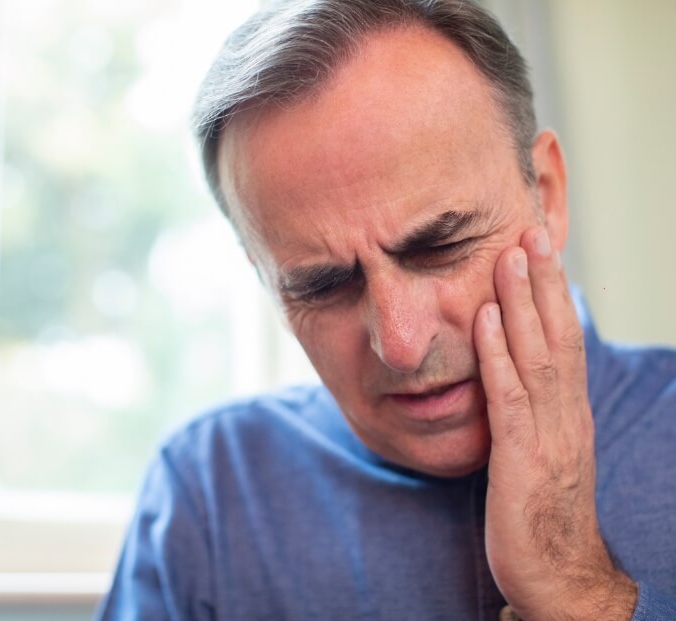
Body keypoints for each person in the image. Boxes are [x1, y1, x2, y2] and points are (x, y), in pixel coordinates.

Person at [97, 1, 676, 619]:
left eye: (441, 246)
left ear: (549, 199)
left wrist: (576, 591)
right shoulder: (206, 495)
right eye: (321, 285)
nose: (400, 344)